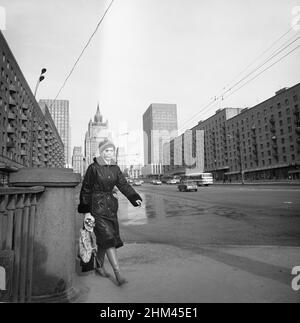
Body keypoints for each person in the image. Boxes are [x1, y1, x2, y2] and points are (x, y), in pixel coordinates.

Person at [77, 140, 143, 286]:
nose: (109, 153)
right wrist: (86, 211)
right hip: (96, 208)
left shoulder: (115, 168)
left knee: (104, 240)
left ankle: (99, 267)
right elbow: (86, 189)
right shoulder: (93, 168)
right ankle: (118, 273)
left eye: (111, 150)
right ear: (101, 152)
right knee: (108, 238)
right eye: (106, 150)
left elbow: (123, 185)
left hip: (111, 207)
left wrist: (134, 197)